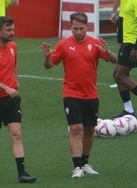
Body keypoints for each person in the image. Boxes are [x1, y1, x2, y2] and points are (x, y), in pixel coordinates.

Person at [40, 12, 118, 178]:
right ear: (71, 27)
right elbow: (49, 65)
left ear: (87, 27)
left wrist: (108, 51)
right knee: (76, 129)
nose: (78, 32)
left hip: (91, 94)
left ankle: (85, 163)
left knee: (89, 130)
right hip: (71, 93)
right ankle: (76, 167)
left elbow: (114, 60)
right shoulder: (63, 45)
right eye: (75, 28)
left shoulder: (96, 44)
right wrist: (47, 57)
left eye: (81, 28)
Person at [0, 16, 36, 183]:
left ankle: (22, 173)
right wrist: (5, 87)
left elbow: (14, 65)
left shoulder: (13, 46)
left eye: (13, 29)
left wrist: (15, 81)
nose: (12, 33)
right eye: (8, 30)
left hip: (11, 99)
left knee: (17, 134)